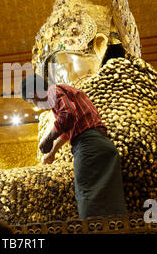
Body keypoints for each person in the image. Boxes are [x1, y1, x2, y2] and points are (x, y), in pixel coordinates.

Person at [21, 73, 128, 219]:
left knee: (87, 194)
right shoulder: (65, 93)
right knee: (111, 196)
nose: (35, 105)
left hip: (89, 147)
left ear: (34, 93)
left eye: (31, 101)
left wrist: (48, 139)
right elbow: (68, 130)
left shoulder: (53, 91)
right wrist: (52, 152)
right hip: (102, 145)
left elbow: (68, 115)